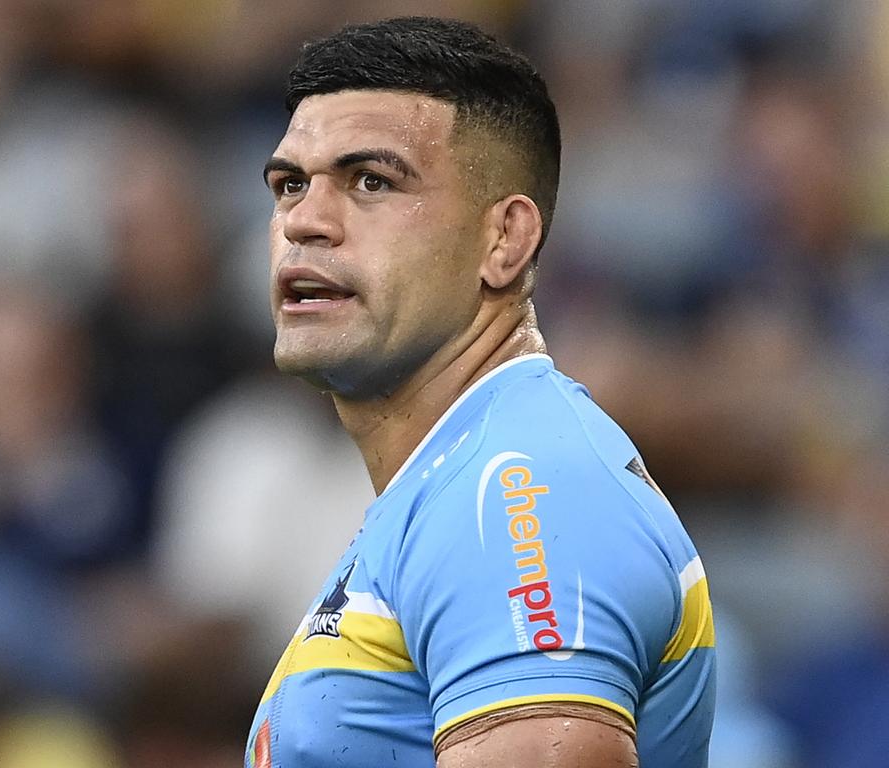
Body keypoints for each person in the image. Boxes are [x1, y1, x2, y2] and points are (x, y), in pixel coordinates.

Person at [247, 16, 716, 768]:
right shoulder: (459, 479)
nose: (304, 221)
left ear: (506, 240)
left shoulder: (519, 489)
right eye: (290, 185)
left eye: (372, 181)